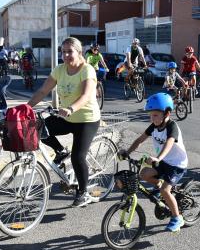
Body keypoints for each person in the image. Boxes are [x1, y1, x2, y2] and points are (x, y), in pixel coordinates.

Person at [27, 37, 101, 207]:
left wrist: (71, 108)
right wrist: (25, 108)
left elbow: (86, 96)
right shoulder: (60, 70)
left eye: (70, 51)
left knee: (77, 157)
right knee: (38, 127)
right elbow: (43, 90)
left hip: (86, 120)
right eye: (63, 51)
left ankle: (83, 192)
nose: (66, 55)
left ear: (79, 52)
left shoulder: (87, 70)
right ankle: (60, 151)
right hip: (66, 118)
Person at [119, 93, 188, 232]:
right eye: (151, 115)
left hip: (176, 165)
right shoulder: (153, 126)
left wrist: (158, 158)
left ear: (167, 113)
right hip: (164, 161)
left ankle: (177, 217)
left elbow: (169, 142)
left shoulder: (171, 126)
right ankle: (160, 187)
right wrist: (128, 152)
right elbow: (139, 140)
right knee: (144, 174)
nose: (152, 118)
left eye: (156, 115)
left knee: (164, 190)